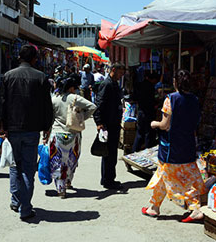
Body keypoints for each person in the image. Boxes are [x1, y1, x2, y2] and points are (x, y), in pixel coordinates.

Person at [142, 70, 205, 222]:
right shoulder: (195, 99)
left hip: (172, 147)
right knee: (170, 176)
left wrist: (154, 123)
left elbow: (164, 125)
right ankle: (154, 207)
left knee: (166, 174)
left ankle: (194, 208)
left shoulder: (170, 99)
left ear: (176, 82)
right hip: (188, 144)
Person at [0, 45, 53, 220]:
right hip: (32, 129)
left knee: (15, 165)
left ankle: (16, 201)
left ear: (19, 57)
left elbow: (2, 104)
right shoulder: (41, 77)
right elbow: (47, 105)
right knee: (28, 169)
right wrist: (47, 126)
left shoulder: (8, 76)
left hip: (13, 129)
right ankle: (25, 208)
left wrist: (2, 125)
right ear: (35, 59)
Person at [45, 75, 96, 197]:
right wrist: (82, 117)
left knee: (57, 161)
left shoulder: (54, 99)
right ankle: (68, 181)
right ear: (71, 88)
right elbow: (92, 106)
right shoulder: (75, 98)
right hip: (73, 134)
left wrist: (46, 132)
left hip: (57, 134)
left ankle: (60, 188)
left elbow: (49, 117)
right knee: (71, 159)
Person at [93, 62, 126, 190]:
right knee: (109, 153)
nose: (121, 75)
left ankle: (108, 178)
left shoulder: (114, 84)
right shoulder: (106, 84)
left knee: (110, 153)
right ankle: (108, 180)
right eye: (120, 72)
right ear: (113, 70)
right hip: (108, 124)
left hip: (113, 123)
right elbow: (99, 104)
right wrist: (99, 122)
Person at [132, 71, 160, 152]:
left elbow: (134, 97)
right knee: (149, 134)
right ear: (153, 79)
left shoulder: (139, 85)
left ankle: (134, 151)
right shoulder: (150, 87)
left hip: (141, 112)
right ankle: (148, 153)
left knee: (140, 133)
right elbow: (152, 100)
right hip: (149, 112)